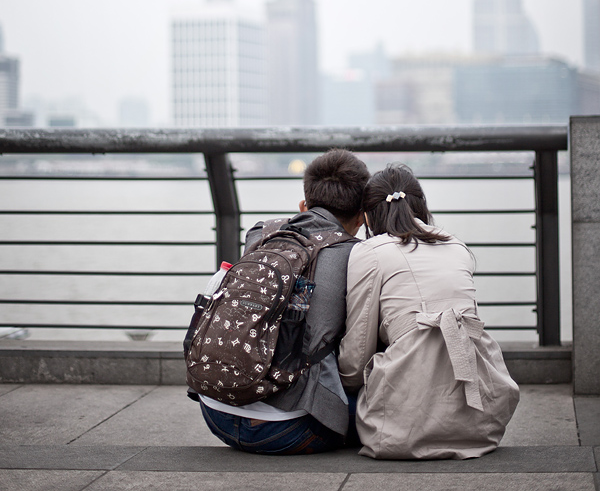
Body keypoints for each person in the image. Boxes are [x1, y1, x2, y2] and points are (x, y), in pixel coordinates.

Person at [338, 163, 519, 460]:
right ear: (422, 206)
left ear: (368, 215)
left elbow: (357, 355)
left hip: (401, 425)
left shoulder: (370, 252)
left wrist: (346, 382)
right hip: (482, 420)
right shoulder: (457, 246)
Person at [198, 148, 369, 454]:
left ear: (303, 205)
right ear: (362, 215)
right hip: (289, 429)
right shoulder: (356, 254)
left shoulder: (260, 233)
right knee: (395, 405)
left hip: (216, 410)